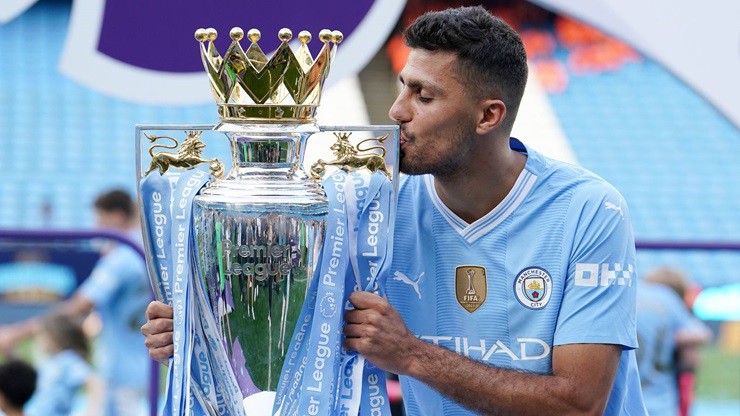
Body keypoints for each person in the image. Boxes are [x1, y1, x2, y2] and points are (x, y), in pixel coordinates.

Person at [143, 6, 647, 415]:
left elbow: (578, 403)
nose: (396, 110)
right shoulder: (373, 206)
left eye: (423, 96)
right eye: (403, 85)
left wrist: (410, 355)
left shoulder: (587, 210)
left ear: (488, 116)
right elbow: (295, 334)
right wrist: (205, 329)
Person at [0, 190, 150, 416]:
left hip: (121, 369)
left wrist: (16, 333)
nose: (96, 228)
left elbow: (77, 307)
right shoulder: (143, 248)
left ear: (117, 217)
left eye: (100, 220)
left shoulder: (122, 257)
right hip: (140, 361)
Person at [636, 268, 711, 416]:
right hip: (662, 401)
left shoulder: (631, 295)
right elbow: (700, 339)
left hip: (624, 402)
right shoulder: (667, 299)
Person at [25, 312, 103, 416]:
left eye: (41, 336)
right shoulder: (48, 361)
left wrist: (93, 411)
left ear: (53, 338)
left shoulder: (68, 359)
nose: (38, 341)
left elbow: (94, 382)